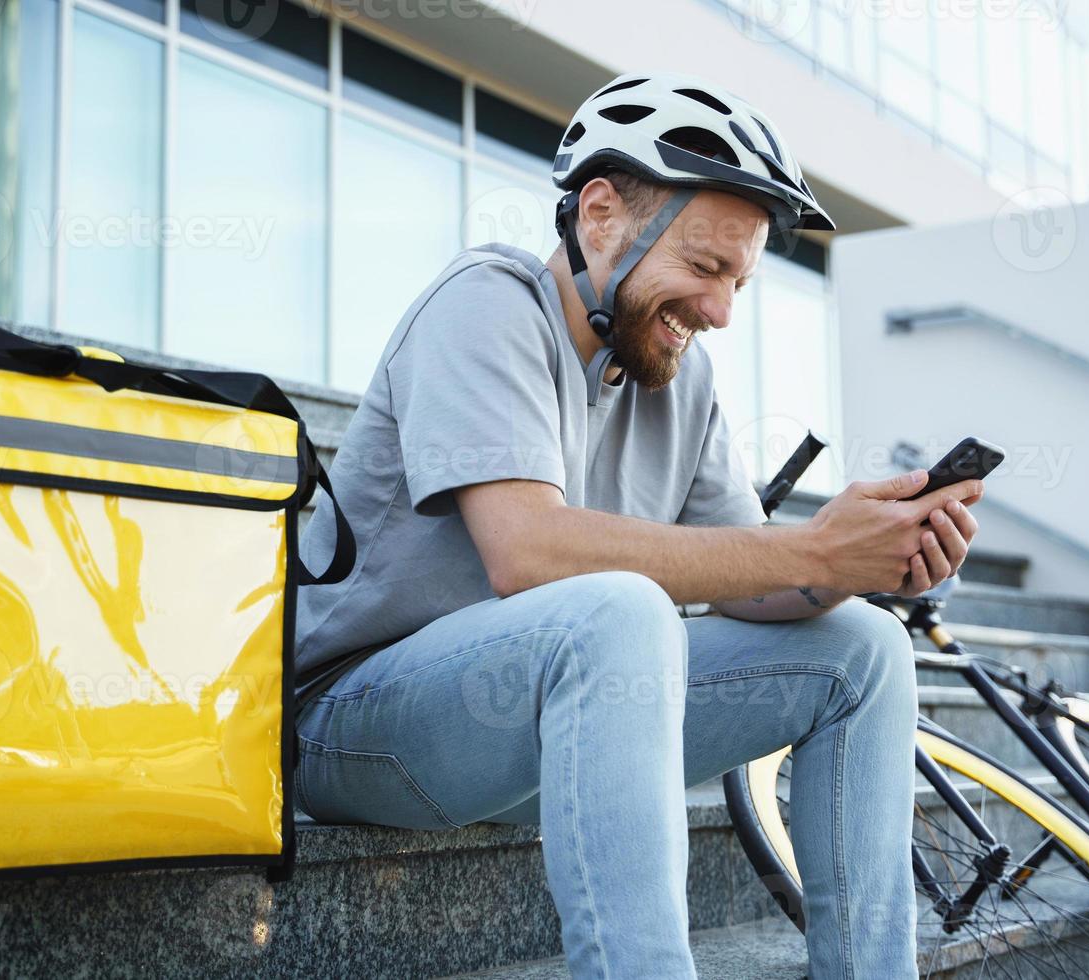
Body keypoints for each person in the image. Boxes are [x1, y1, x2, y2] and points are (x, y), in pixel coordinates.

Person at [295, 72, 982, 979]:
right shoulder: (484, 303)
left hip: (543, 734)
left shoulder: (676, 376)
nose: (721, 311)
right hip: (353, 723)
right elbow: (527, 551)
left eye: (738, 280)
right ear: (601, 214)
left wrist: (862, 562)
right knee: (616, 610)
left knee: (863, 647)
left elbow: (763, 581)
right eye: (704, 268)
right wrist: (811, 546)